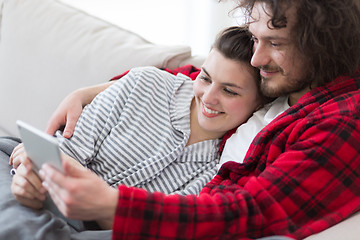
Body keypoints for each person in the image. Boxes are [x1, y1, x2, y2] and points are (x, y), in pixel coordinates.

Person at [9, 0, 360, 239]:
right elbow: (199, 76)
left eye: (275, 43)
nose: (256, 58)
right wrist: (96, 90)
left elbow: (252, 211)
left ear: (323, 44)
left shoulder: (342, 122)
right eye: (256, 39)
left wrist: (111, 205)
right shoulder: (289, 79)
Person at [7, 26, 264, 232]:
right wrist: (27, 179)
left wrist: (91, 196)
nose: (208, 97)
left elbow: (149, 229)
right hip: (37, 184)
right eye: (205, 78)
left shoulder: (224, 167)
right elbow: (66, 150)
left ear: (259, 103)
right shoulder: (146, 83)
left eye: (229, 90)